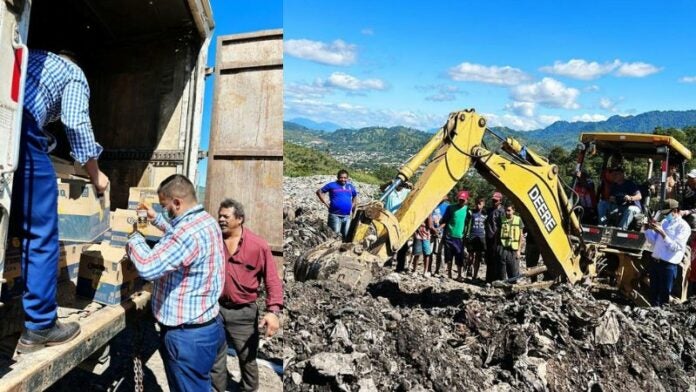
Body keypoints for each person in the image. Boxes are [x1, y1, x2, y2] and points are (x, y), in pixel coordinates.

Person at [12, 50, 109, 353]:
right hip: (16, 124)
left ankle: (16, 288)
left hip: (13, 120)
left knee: (12, 215)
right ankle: (41, 325)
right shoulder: (72, 73)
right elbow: (77, 122)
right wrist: (96, 175)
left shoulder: (30, 57)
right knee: (40, 229)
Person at [127, 174, 225, 391]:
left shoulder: (186, 233)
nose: (164, 211)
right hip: (207, 327)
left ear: (177, 202)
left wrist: (132, 235)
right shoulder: (206, 221)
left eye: (165, 206)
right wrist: (155, 219)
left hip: (187, 337)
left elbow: (147, 266)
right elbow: (178, 238)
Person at [211, 199, 283, 392]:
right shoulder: (214, 241)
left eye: (226, 216)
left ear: (240, 219)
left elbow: (272, 281)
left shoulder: (258, 246)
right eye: (219, 215)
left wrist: (273, 311)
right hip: (215, 310)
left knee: (247, 360)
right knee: (216, 358)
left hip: (243, 313)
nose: (221, 219)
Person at [645, 199, 690, 307]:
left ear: (675, 211)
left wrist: (662, 233)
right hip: (655, 262)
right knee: (653, 293)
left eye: (667, 214)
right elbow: (653, 241)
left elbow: (676, 247)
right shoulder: (665, 222)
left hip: (668, 265)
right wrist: (647, 229)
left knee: (664, 295)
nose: (665, 217)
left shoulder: (683, 227)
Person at [316, 169, 358, 240]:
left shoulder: (350, 186)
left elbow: (355, 196)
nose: (343, 179)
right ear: (338, 177)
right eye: (341, 177)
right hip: (335, 216)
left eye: (345, 178)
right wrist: (326, 204)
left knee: (347, 236)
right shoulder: (332, 185)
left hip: (347, 216)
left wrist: (352, 206)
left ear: (347, 178)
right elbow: (319, 192)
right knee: (335, 236)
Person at [382, 181, 412, 272]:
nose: (401, 185)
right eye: (400, 183)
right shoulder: (390, 189)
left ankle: (400, 267)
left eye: (403, 184)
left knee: (402, 244)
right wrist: (390, 182)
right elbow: (382, 188)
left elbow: (415, 191)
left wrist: (410, 185)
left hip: (401, 220)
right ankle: (387, 263)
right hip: (388, 220)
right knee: (387, 242)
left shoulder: (406, 191)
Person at [440, 190, 470, 281]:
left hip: (460, 237)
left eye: (463, 200)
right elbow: (444, 219)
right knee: (449, 256)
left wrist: (466, 235)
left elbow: (468, 224)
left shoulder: (468, 210)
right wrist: (440, 227)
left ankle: (459, 275)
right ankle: (449, 274)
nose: (461, 201)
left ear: (467, 200)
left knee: (459, 257)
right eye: (460, 199)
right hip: (449, 235)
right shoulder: (450, 208)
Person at [495, 204, 524, 281]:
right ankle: (502, 287)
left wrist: (519, 250)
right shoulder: (501, 219)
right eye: (506, 210)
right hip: (503, 248)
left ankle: (513, 289)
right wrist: (496, 248)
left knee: (513, 271)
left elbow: (521, 236)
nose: (507, 212)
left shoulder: (518, 219)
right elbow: (497, 234)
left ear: (513, 211)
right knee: (501, 271)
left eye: (509, 210)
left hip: (513, 249)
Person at [464, 197, 487, 281]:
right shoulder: (471, 212)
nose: (478, 206)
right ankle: (469, 269)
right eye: (477, 203)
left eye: (480, 204)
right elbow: (466, 224)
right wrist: (465, 235)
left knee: (478, 256)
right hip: (472, 236)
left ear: (483, 204)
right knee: (470, 256)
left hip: (481, 237)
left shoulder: (485, 214)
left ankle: (475, 275)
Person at [485, 192, 505, 283]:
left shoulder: (502, 212)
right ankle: (489, 279)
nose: (493, 202)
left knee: (496, 258)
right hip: (488, 237)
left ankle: (496, 279)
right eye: (493, 200)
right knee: (489, 258)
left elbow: (502, 226)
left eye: (496, 200)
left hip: (496, 238)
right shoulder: (489, 210)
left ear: (500, 201)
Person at [431, 196, 450, 276]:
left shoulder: (447, 206)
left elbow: (447, 220)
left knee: (439, 253)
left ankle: (437, 270)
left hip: (441, 232)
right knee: (430, 252)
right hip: (431, 231)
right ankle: (428, 269)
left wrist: (439, 228)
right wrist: (432, 227)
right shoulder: (432, 204)